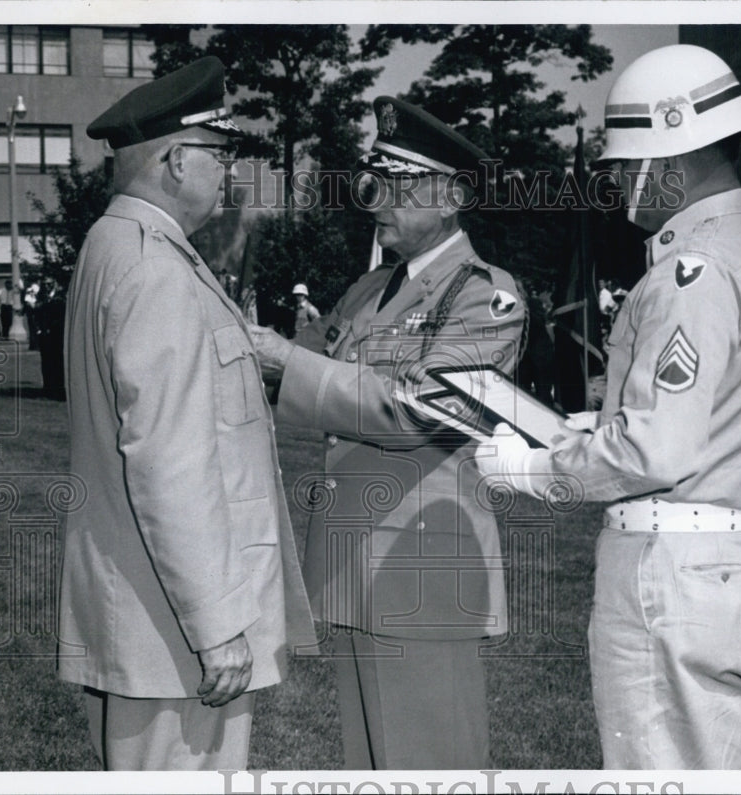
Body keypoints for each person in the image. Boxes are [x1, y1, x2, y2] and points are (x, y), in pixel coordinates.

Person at [476, 44, 741, 769]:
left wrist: (535, 468)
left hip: (676, 564)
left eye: (624, 166)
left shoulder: (691, 272)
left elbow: (655, 453)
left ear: (668, 162)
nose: (619, 184)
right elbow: (719, 410)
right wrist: (594, 426)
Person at [250, 96, 525, 769]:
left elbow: (423, 412)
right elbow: (289, 368)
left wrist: (284, 359)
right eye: (377, 181)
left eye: (401, 184)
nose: (378, 201)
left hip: (423, 576)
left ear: (454, 195)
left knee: (431, 766)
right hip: (355, 570)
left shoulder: (485, 297)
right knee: (375, 766)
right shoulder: (369, 289)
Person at [58, 56, 314, 771]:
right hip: (175, 636)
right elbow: (170, 464)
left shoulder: (115, 246)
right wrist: (217, 625)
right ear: (174, 160)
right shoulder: (154, 267)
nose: (229, 174)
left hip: (141, 614)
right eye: (220, 155)